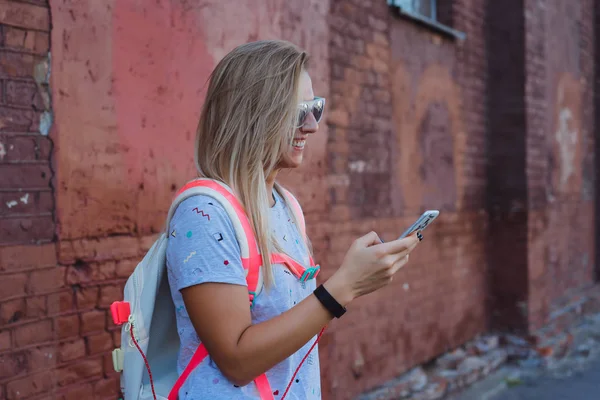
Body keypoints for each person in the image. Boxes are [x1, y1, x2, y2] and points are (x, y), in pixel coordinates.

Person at [166, 40, 421, 399]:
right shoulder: (205, 214)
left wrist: (355, 280)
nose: (312, 125)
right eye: (297, 111)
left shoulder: (285, 206)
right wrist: (344, 285)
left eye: (315, 108)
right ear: (252, 113)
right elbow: (236, 361)